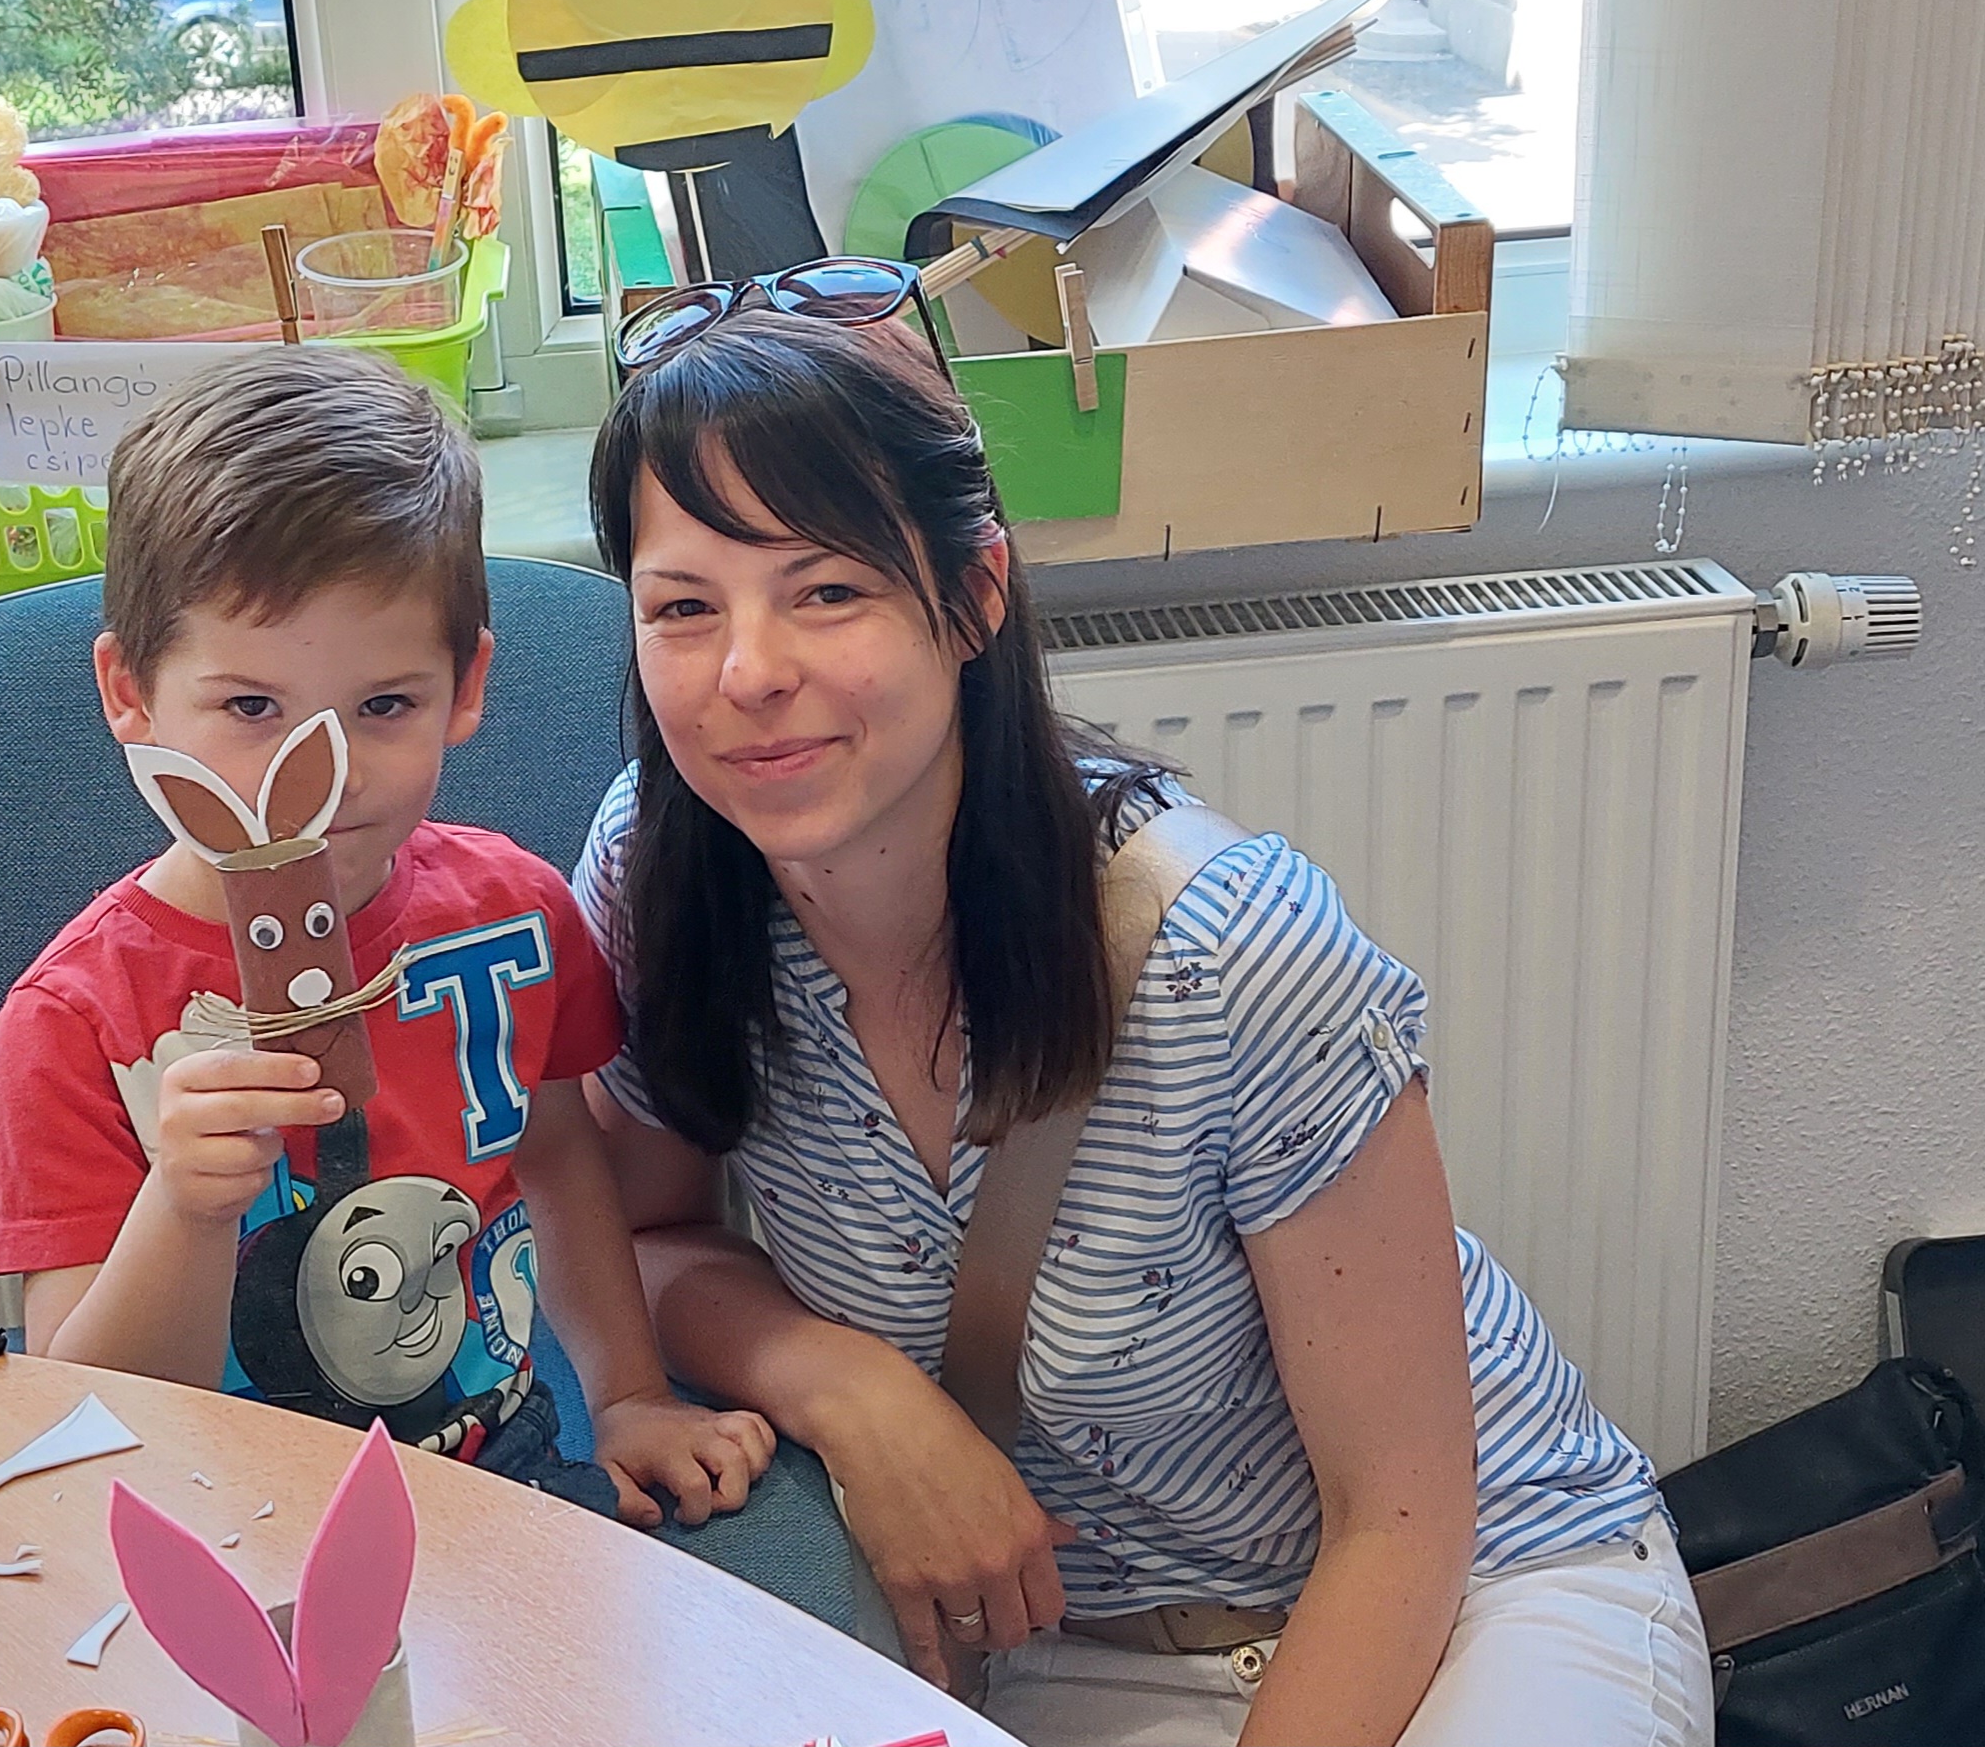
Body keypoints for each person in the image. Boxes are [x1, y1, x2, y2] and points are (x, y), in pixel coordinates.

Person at [569, 306, 1713, 1746]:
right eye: (683, 608)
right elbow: (648, 1233)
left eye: (827, 590)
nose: (746, 672)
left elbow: (1400, 1517)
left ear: (973, 596)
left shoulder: (1230, 945)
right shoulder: (656, 871)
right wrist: (851, 1390)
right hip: (1068, 1644)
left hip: (1474, 1586)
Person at [0, 343, 773, 1529]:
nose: (325, 772)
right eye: (252, 707)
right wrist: (186, 1206)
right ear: (130, 693)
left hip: (498, 1468)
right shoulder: (74, 1025)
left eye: (383, 704)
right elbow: (94, 1404)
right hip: (224, 1517)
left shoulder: (512, 911)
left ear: (464, 686)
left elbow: (557, 1156)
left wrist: (628, 1393)